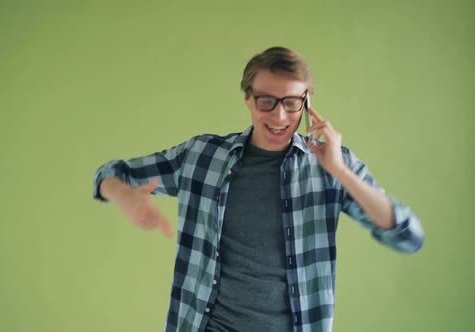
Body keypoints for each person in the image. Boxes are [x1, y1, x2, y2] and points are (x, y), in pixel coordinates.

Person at [92, 46, 424, 332]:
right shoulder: (202, 156)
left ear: (307, 105)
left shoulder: (330, 166)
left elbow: (407, 236)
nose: (279, 114)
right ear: (248, 100)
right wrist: (123, 195)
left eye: (292, 102)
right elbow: (110, 174)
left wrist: (340, 171)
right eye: (267, 100)